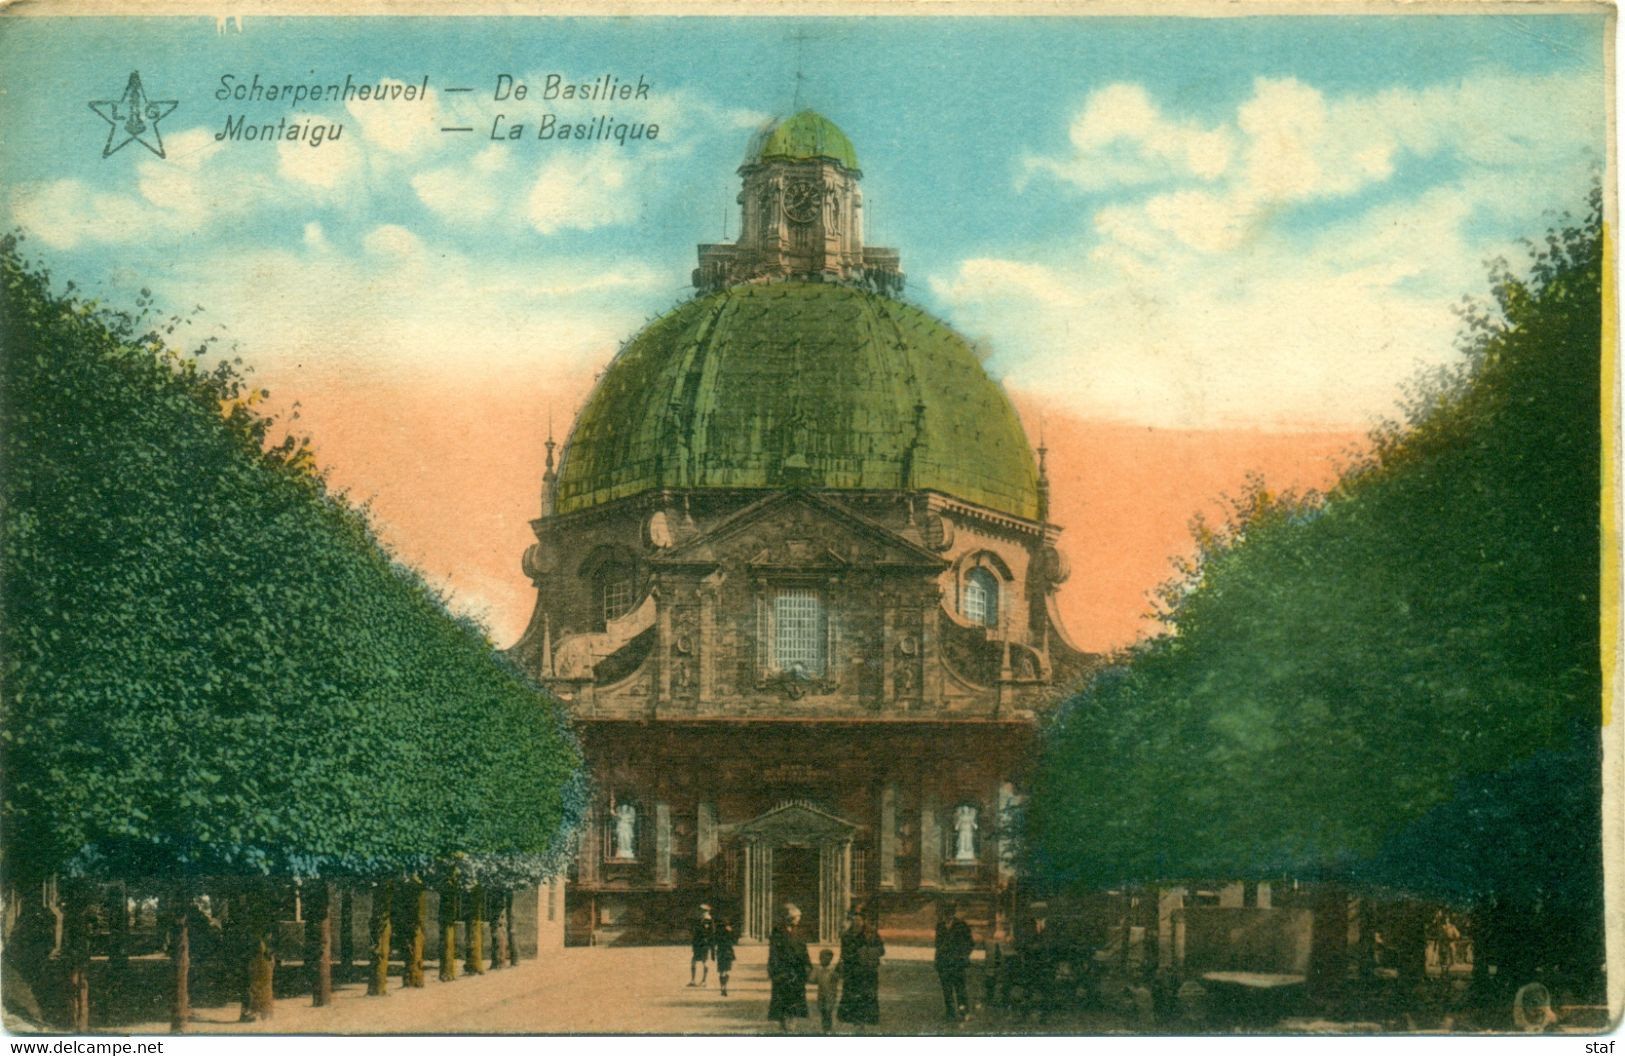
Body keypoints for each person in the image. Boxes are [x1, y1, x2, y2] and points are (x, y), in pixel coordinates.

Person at [837, 907, 884, 1030]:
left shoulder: (872, 934)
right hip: (852, 973)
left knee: (866, 997)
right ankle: (856, 1023)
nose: (857, 922)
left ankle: (863, 1023)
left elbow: (882, 950)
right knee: (853, 998)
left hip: (868, 972)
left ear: (864, 921)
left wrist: (869, 952)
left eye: (859, 919)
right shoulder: (847, 935)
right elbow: (843, 953)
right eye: (854, 919)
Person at [767, 903, 811, 1032]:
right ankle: (783, 1024)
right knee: (782, 999)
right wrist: (773, 971)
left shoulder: (800, 932)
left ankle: (792, 1025)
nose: (799, 919)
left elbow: (804, 950)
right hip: (783, 971)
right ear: (790, 917)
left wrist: (808, 966)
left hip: (797, 971)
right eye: (797, 917)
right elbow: (773, 953)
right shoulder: (777, 932)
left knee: (795, 999)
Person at [935, 901, 975, 1022]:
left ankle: (963, 1012)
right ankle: (950, 1014)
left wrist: (963, 955)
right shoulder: (940, 926)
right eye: (944, 913)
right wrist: (937, 961)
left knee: (960, 989)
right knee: (947, 990)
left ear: (953, 913)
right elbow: (937, 944)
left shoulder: (961, 925)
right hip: (944, 963)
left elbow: (970, 943)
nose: (946, 916)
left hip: (957, 963)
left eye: (949, 913)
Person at [808, 948, 840, 1034]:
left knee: (828, 1011)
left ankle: (828, 1029)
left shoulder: (833, 970)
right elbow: (812, 980)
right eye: (821, 958)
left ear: (830, 959)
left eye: (826, 958)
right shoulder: (818, 969)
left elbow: (837, 979)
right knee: (823, 1011)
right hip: (821, 994)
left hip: (830, 994)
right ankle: (824, 1029)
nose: (822, 960)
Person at [688, 904, 716, 987]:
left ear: (708, 911)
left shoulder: (709, 921)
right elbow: (695, 933)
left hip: (704, 944)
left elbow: (712, 934)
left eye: (704, 911)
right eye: (701, 910)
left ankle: (704, 981)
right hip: (697, 944)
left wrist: (712, 948)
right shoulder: (700, 920)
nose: (701, 912)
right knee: (693, 961)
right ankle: (693, 980)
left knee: (704, 962)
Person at [714, 917, 737, 996]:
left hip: (721, 952)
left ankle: (722, 988)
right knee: (726, 971)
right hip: (727, 953)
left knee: (721, 971)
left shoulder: (718, 932)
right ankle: (724, 987)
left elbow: (715, 942)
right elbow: (733, 941)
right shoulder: (729, 932)